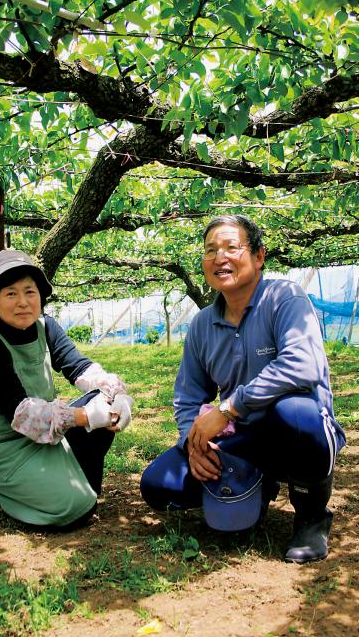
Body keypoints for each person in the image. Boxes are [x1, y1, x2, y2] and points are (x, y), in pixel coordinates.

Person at [140, 215, 345, 563]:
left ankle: (312, 515)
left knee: (295, 413)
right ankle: (259, 485)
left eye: (231, 247)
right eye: (210, 250)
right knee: (160, 484)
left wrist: (228, 409)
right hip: (246, 438)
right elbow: (189, 396)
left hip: (296, 428)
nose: (220, 257)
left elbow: (302, 365)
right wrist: (194, 443)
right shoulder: (203, 324)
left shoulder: (284, 298)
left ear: (258, 256)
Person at [0, 249, 133, 530]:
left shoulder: (46, 326)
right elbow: (20, 412)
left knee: (103, 399)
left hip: (42, 436)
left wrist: (117, 393)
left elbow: (81, 368)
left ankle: (76, 487)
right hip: (3, 448)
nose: (23, 302)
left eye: (30, 291)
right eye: (11, 294)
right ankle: (21, 495)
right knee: (73, 509)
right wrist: (85, 416)